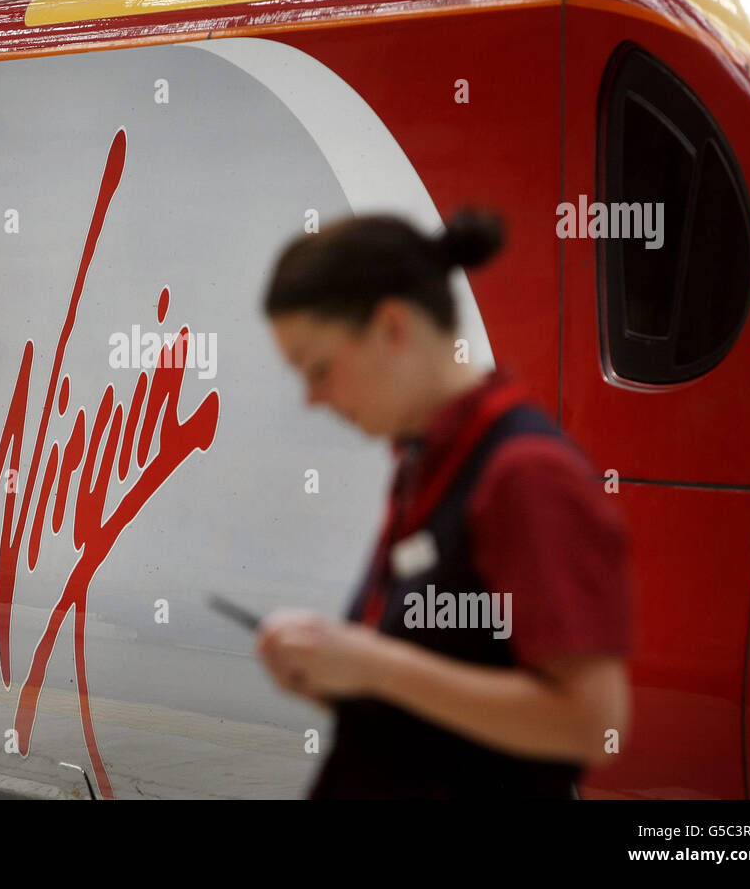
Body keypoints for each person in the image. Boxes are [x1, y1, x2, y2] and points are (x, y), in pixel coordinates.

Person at [255, 211, 633, 799]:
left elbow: (591, 723)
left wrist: (370, 666)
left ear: (392, 327)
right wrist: (329, 671)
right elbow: (438, 693)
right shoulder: (424, 461)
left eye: (320, 369)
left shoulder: (524, 475)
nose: (311, 400)